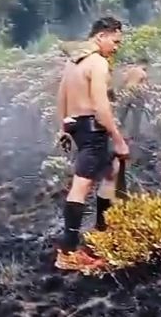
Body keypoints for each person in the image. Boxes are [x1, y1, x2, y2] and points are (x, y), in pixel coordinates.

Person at [54, 16, 129, 271]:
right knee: (82, 186)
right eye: (115, 41)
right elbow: (101, 107)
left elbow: (61, 95)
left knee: (111, 172)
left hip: (76, 125)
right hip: (92, 129)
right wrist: (118, 139)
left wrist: (63, 128)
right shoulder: (97, 63)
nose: (117, 47)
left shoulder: (73, 61)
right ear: (101, 36)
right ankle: (68, 251)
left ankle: (101, 234)